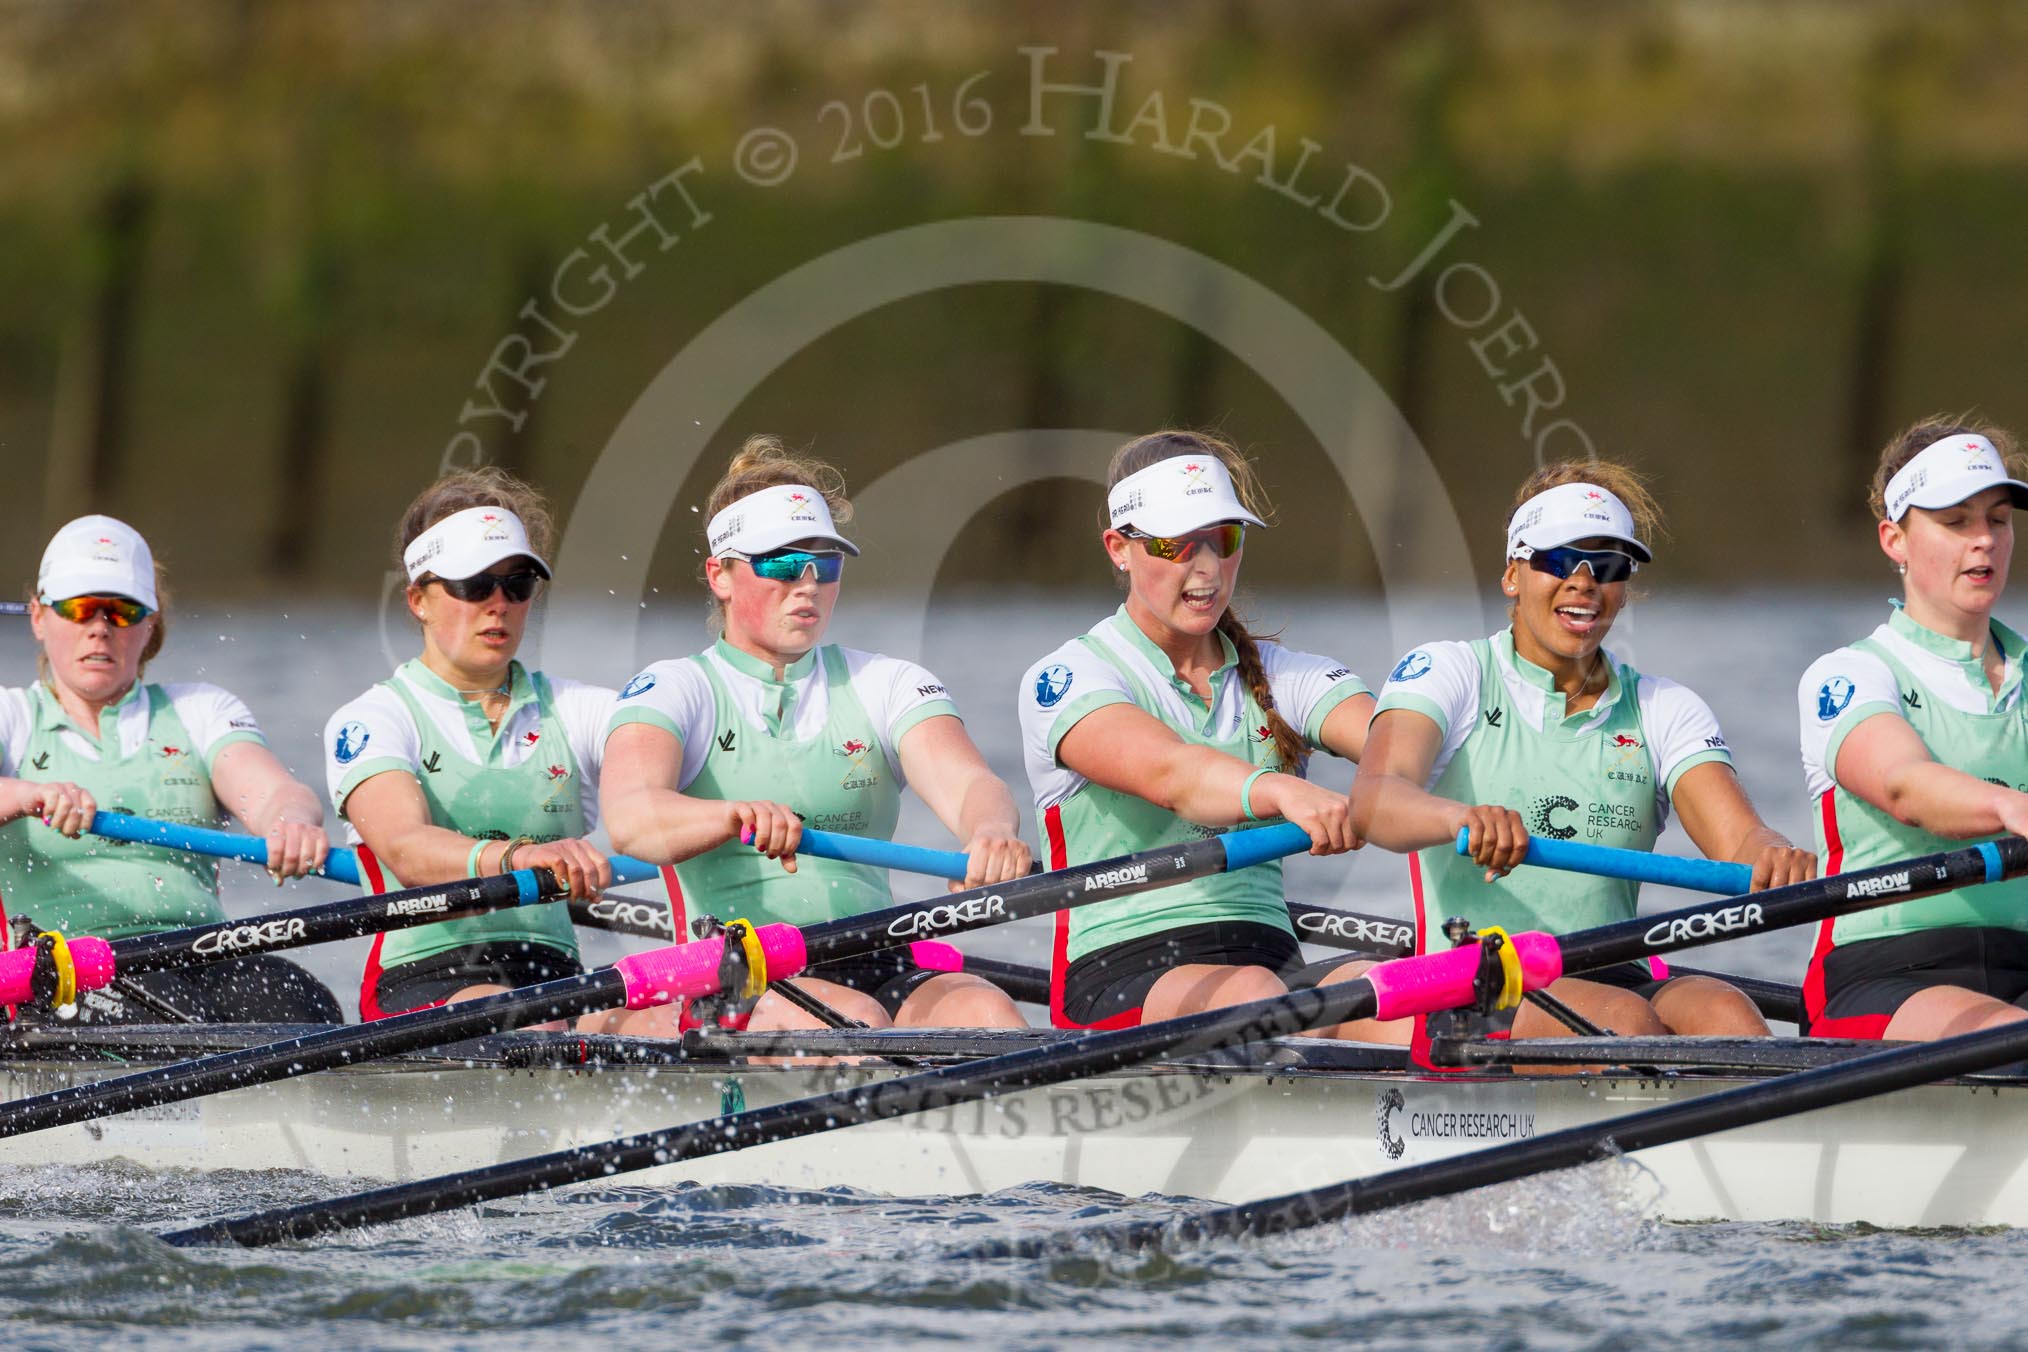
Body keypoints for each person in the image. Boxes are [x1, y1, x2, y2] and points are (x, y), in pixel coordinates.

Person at [1346, 462, 1813, 1046]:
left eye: (1609, 565)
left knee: (1728, 1012)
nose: (1585, 581)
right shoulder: (1450, 672)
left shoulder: (1663, 706)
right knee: (1623, 1022)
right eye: (1561, 560)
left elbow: (1740, 842)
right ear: (1513, 575)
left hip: (1617, 968)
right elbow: (1374, 799)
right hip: (1482, 976)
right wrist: (1460, 819)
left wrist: (1774, 855)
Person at [601, 437, 1031, 1035]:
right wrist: (731, 816)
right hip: (731, 970)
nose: (807, 584)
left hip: (874, 953)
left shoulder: (887, 681)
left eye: (824, 564)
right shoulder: (674, 690)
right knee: (850, 1020)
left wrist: (991, 832)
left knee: (989, 1013)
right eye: (780, 563)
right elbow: (631, 819)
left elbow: (969, 785)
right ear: (720, 575)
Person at [1018, 431, 1373, 1032]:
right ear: (1118, 548)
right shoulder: (1070, 677)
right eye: (1176, 544)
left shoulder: (1288, 677)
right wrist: (1284, 791)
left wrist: (1441, 783)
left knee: (1403, 993)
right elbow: (1172, 774)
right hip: (1119, 971)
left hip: (1269, 965)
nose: (1206, 565)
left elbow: (1399, 746)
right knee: (1258, 993)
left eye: (1222, 539)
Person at [0, 515, 340, 1024]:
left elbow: (272, 791)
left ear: (150, 622)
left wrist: (291, 823)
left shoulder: (200, 710)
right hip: (65, 971)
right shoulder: (12, 716)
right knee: (170, 1011)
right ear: (38, 618)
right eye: (78, 608)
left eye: (121, 611)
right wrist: (29, 795)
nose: (98, 626)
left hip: (204, 952)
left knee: (303, 1000)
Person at [326, 470, 615, 1020]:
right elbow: (407, 849)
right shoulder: (373, 719)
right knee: (525, 1017)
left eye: (517, 584)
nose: (499, 604)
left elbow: (665, 767)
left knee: (654, 1022)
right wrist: (521, 859)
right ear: (418, 600)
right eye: (474, 585)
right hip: (423, 977)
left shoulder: (582, 710)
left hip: (554, 972)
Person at [1799, 416, 2028, 1041]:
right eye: (1956, 522)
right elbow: (1905, 787)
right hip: (1884, 975)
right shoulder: (1849, 674)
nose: (1982, 540)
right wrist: (2012, 807)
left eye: (1998, 519)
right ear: (1894, 539)